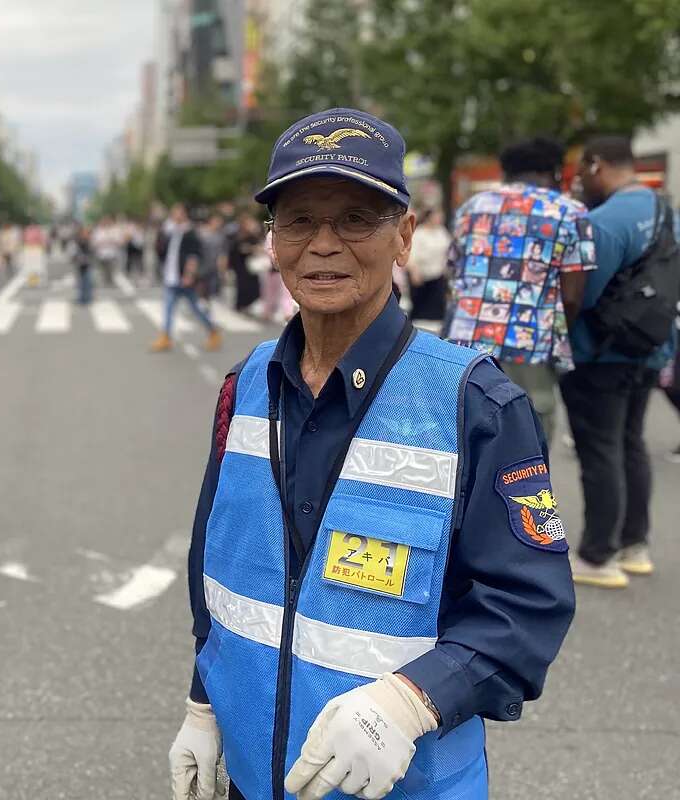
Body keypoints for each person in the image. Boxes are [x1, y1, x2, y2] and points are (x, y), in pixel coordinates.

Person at [168, 108, 574, 800]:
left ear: (405, 236)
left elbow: (527, 604)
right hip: (253, 778)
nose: (323, 245)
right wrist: (203, 705)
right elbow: (222, 572)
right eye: (298, 221)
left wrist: (413, 700)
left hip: (404, 785)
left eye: (356, 219)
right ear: (272, 241)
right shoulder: (245, 386)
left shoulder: (473, 402)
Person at [562, 135, 678, 587]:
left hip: (602, 353)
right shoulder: (667, 212)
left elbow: (582, 293)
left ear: (596, 166)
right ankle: (635, 545)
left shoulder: (606, 221)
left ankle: (597, 555)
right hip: (651, 348)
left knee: (601, 450)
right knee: (631, 443)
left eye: (581, 172)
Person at [441, 138, 597, 443]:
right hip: (530, 343)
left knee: (466, 431)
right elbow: (572, 295)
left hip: (466, 340)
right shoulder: (571, 212)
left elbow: (454, 272)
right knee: (527, 440)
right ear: (554, 172)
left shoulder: (473, 207)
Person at [151, 204, 221, 353]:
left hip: (184, 278)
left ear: (184, 214)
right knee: (169, 308)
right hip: (172, 277)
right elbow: (166, 252)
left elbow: (193, 256)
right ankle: (166, 337)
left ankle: (213, 331)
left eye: (177, 213)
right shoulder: (172, 231)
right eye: (173, 212)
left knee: (195, 308)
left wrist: (189, 275)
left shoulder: (190, 232)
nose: (175, 215)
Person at [406, 207, 451, 322]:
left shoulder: (441, 232)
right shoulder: (419, 233)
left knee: (437, 307)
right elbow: (412, 253)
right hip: (421, 274)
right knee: (419, 306)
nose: (439, 219)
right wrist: (414, 272)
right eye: (437, 217)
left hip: (438, 274)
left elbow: (448, 250)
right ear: (429, 217)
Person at [228, 211, 263, 313]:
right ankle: (240, 305)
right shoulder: (236, 235)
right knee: (241, 285)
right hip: (239, 264)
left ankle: (247, 304)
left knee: (252, 286)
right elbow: (233, 249)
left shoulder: (253, 235)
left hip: (250, 264)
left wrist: (251, 248)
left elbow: (259, 246)